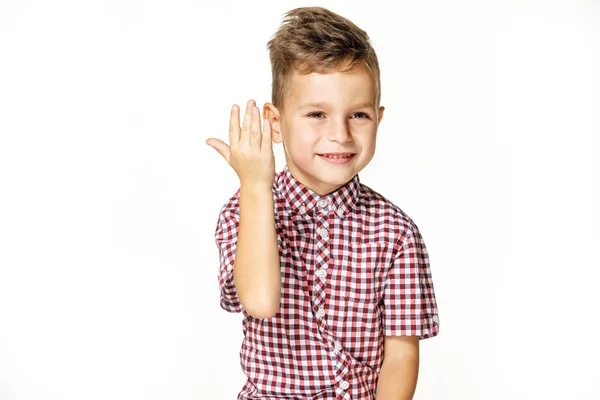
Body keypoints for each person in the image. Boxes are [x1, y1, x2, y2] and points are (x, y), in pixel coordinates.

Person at [205, 6, 440, 400]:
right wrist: (256, 185)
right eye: (317, 114)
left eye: (359, 115)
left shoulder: (396, 233)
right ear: (276, 123)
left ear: (379, 120)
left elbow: (400, 355)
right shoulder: (244, 209)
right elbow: (261, 302)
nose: (340, 135)